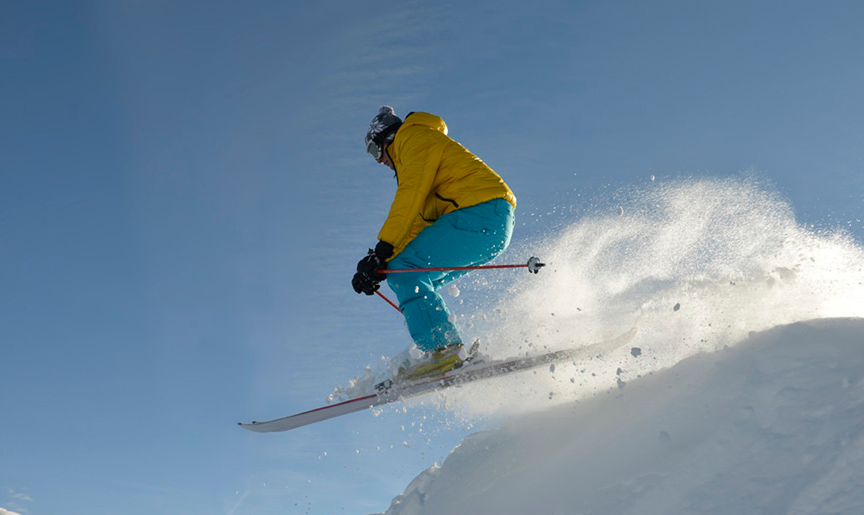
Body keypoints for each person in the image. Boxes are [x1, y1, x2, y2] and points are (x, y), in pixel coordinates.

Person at [352, 106, 516, 380]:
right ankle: (444, 351)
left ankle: (443, 350)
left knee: (406, 272)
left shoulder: (412, 139)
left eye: (374, 151)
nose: (378, 160)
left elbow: (409, 196)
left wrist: (381, 250)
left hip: (479, 213)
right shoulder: (417, 150)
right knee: (405, 275)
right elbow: (418, 222)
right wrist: (382, 264)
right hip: (488, 222)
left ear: (386, 138)